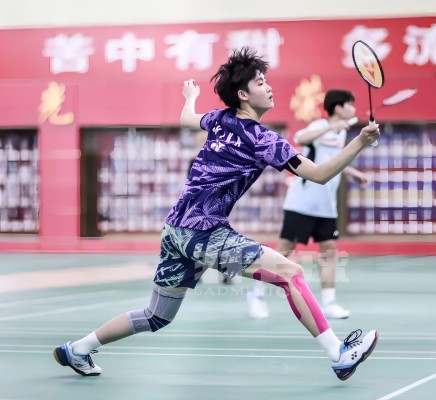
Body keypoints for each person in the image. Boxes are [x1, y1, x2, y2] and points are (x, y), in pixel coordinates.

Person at [53, 47, 380, 381]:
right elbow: (320, 174)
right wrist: (359, 142)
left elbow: (187, 119)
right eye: (260, 82)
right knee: (290, 272)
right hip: (204, 232)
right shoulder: (265, 140)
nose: (269, 87)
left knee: (157, 316)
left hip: (175, 230)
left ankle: (77, 348)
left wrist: (190, 97)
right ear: (243, 94)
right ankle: (338, 354)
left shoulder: (219, 119)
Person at [247, 89, 367, 320]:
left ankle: (329, 302)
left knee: (329, 250)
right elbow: (301, 139)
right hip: (301, 202)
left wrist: (352, 172)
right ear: (338, 108)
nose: (353, 108)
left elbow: (329, 161)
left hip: (326, 205)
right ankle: (257, 294)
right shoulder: (321, 125)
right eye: (350, 104)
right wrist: (331, 127)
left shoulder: (342, 132)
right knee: (284, 250)